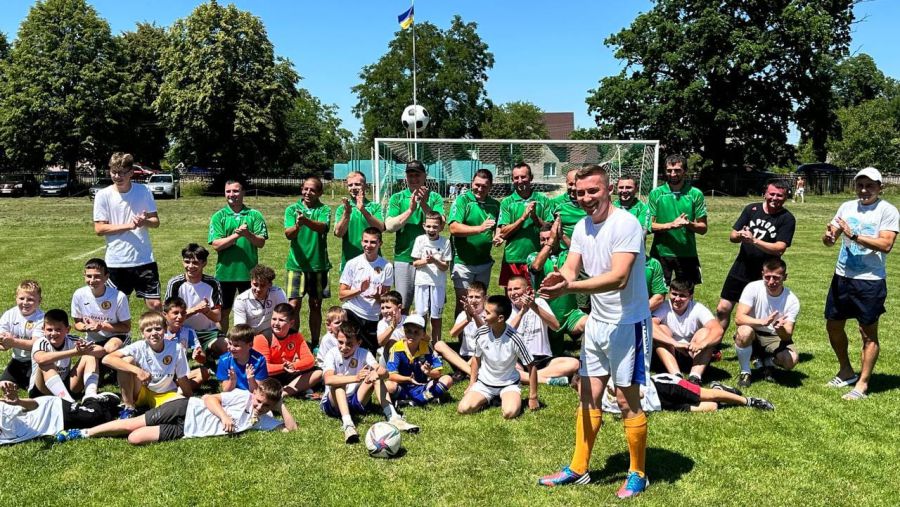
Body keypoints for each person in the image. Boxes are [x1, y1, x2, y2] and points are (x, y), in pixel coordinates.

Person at [536, 164, 651, 498]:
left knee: (627, 400)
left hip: (628, 324)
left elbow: (619, 277)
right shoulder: (584, 227)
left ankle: (638, 473)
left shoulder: (626, 224)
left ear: (609, 189)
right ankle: (578, 467)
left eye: (593, 191)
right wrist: (562, 279)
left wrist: (572, 284)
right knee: (588, 396)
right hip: (598, 324)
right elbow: (571, 265)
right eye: (580, 192)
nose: (586, 198)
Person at [822, 167, 898, 400]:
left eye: (870, 186)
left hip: (869, 281)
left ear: (879, 187)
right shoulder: (846, 207)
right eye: (860, 185)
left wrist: (854, 235)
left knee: (868, 333)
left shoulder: (888, 211)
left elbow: (886, 245)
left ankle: (862, 384)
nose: (864, 190)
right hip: (842, 277)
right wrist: (829, 237)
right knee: (833, 325)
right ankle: (846, 371)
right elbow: (831, 237)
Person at [56, 378, 297, 444]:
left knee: (134, 438)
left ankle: (101, 426)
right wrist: (224, 416)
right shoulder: (242, 396)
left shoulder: (262, 419)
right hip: (185, 408)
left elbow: (291, 430)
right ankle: (82, 433)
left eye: (265, 405)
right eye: (259, 401)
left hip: (185, 430)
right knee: (133, 424)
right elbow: (209, 398)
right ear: (255, 394)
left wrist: (280, 404)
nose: (259, 406)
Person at [320, 320, 418, 444]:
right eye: (340, 342)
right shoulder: (332, 354)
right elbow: (328, 379)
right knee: (338, 381)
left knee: (376, 376)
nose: (344, 347)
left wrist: (378, 372)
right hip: (333, 404)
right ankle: (348, 425)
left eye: (349, 344)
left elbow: (384, 373)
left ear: (359, 343)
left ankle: (393, 417)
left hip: (356, 399)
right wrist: (356, 378)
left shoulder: (364, 353)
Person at [716, 180, 795, 332]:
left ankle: (754, 346)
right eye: (772, 194)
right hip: (741, 267)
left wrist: (753, 240)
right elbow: (732, 236)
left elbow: (779, 248)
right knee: (722, 308)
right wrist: (740, 236)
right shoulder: (751, 209)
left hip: (766, 273)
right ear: (765, 194)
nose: (775, 198)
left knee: (756, 313)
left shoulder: (787, 218)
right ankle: (714, 347)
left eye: (780, 196)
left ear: (785, 198)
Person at [93, 152, 161, 310]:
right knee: (114, 307)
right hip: (116, 261)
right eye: (113, 172)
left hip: (144, 259)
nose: (117, 176)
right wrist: (129, 225)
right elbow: (99, 228)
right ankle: (120, 335)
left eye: (122, 173)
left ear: (131, 172)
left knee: (155, 304)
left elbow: (155, 222)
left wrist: (144, 222)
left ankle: (159, 335)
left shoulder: (144, 191)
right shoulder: (103, 195)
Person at [457, 295, 538, 419]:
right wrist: (472, 384)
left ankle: (504, 399)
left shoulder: (515, 338)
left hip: (509, 384)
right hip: (484, 384)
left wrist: (533, 397)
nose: (483, 315)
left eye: (488, 313)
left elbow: (531, 367)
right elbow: (476, 359)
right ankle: (489, 400)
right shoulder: (481, 333)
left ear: (500, 318)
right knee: (463, 409)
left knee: (510, 413)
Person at [103, 311, 193, 419]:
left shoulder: (176, 348)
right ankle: (128, 407)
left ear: (165, 330)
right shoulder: (139, 346)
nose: (154, 333)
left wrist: (190, 399)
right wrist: (138, 371)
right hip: (141, 390)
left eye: (158, 329)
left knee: (182, 407)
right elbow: (107, 359)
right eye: (149, 330)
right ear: (142, 333)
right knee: (127, 361)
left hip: (164, 392)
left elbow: (182, 377)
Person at [207, 180, 268, 332]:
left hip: (249, 274)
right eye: (228, 191)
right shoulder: (218, 216)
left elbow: (260, 243)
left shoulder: (254, 215)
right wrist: (236, 236)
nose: (231, 195)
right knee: (223, 312)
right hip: (225, 274)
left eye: (235, 191)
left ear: (243, 193)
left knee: (252, 311)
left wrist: (248, 234)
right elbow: (216, 245)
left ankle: (250, 344)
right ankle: (223, 345)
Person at [385, 160, 445, 314]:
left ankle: (425, 338)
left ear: (424, 176)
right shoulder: (397, 198)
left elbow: (442, 223)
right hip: (404, 258)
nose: (414, 179)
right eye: (410, 175)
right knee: (402, 304)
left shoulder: (435, 197)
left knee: (428, 306)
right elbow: (390, 227)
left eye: (417, 175)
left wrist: (424, 204)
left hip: (430, 258)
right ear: (406, 177)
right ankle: (405, 337)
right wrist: (410, 210)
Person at [733, 258, 800, 388]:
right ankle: (745, 371)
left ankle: (768, 362)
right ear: (762, 274)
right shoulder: (752, 287)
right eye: (767, 277)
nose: (771, 282)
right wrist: (762, 322)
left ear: (785, 277)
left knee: (791, 360)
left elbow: (787, 336)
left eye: (776, 278)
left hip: (774, 336)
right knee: (744, 332)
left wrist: (779, 328)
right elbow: (739, 318)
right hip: (753, 331)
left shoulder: (792, 300)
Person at [284, 176, 332, 347]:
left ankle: (315, 343)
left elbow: (323, 227)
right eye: (305, 188)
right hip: (296, 265)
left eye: (312, 189)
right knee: (293, 305)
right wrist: (298, 226)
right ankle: (293, 342)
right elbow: (288, 234)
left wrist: (306, 221)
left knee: (316, 304)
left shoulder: (324, 209)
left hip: (318, 265)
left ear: (319, 192)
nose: (308, 192)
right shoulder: (292, 209)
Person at [506, 276, 579, 386]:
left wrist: (533, 306)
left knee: (574, 363)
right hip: (519, 359)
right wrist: (522, 312)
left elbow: (555, 326)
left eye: (516, 289)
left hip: (543, 358)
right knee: (505, 368)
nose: (512, 293)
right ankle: (547, 380)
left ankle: (529, 377)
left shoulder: (539, 302)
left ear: (527, 290)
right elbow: (507, 334)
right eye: (509, 290)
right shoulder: (507, 309)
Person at [648, 154, 708, 285]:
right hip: (661, 252)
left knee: (686, 295)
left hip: (687, 253)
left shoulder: (695, 194)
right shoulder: (656, 193)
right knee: (657, 294)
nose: (673, 174)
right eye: (669, 170)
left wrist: (688, 224)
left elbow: (703, 228)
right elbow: (648, 225)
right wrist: (671, 225)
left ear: (685, 171)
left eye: (677, 170)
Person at [449, 168, 501, 316]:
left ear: (490, 187)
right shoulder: (463, 200)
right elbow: (453, 227)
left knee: (480, 304)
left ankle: (478, 338)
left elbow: (499, 227)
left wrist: (498, 236)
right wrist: (480, 228)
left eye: (484, 186)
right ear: (472, 183)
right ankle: (462, 339)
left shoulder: (495, 205)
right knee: (464, 302)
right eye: (477, 185)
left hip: (484, 263)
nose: (479, 189)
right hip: (463, 263)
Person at [0, 381, 120, 446]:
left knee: (94, 417)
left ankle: (92, 398)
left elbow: (35, 405)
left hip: (52, 411)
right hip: (50, 429)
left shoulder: (3, 407)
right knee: (100, 422)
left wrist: (18, 401)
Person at [651, 280, 724, 385]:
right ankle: (676, 376)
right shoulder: (664, 306)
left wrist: (701, 344)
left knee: (705, 332)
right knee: (662, 328)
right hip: (669, 353)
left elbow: (718, 330)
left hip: (693, 353)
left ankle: (695, 377)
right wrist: (674, 343)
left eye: (682, 296)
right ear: (669, 293)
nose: (677, 299)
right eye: (674, 294)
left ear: (690, 296)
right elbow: (650, 325)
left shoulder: (698, 308)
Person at [527, 221, 588, 344]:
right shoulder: (533, 256)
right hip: (545, 317)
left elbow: (583, 257)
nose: (544, 242)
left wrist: (562, 236)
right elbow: (536, 266)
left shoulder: (566, 255)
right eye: (542, 239)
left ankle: (588, 359)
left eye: (548, 238)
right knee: (550, 358)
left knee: (592, 325)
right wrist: (550, 242)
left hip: (570, 315)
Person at [598, 374, 774, 414]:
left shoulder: (611, 380)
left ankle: (749, 401)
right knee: (711, 407)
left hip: (662, 387)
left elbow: (641, 394)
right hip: (660, 405)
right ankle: (721, 391)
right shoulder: (597, 403)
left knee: (707, 395)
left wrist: (617, 392)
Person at [29, 309, 103, 402]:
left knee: (89, 355)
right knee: (46, 362)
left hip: (65, 386)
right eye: (49, 329)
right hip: (41, 391)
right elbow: (41, 359)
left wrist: (85, 350)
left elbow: (101, 351)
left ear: (67, 329)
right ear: (43, 329)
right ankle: (68, 402)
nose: (53, 333)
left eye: (58, 329)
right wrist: (75, 352)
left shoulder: (71, 339)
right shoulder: (41, 342)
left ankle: (90, 395)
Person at [339, 227, 393, 351]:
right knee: (350, 348)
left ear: (380, 244)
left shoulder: (387, 266)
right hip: (353, 311)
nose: (368, 245)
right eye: (366, 241)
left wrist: (378, 297)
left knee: (371, 353)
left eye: (373, 242)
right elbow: (342, 295)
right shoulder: (352, 264)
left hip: (373, 315)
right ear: (362, 242)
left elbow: (385, 301)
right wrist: (360, 290)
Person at [165, 244, 224, 357]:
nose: (190, 266)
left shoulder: (213, 283)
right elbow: (168, 318)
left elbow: (217, 317)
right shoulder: (175, 283)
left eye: (196, 263)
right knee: (171, 354)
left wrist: (206, 311)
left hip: (208, 331)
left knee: (225, 347)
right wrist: (196, 310)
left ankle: (207, 353)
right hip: (181, 330)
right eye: (187, 262)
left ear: (204, 263)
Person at [253, 303, 321, 398]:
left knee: (318, 372)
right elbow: (263, 367)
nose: (276, 323)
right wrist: (283, 367)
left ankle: (284, 393)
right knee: (260, 381)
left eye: (281, 320)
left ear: (291, 323)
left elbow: (310, 360)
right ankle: (296, 389)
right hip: (268, 376)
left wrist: (293, 365)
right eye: (274, 319)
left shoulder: (296, 336)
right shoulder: (262, 338)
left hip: (287, 371)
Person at [498, 162, 548, 288]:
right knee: (513, 298)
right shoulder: (506, 202)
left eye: (523, 177)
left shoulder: (543, 200)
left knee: (536, 297)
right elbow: (503, 232)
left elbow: (550, 228)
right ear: (512, 180)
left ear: (531, 177)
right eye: (516, 178)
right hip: (513, 258)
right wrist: (523, 218)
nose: (520, 181)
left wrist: (535, 218)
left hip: (538, 257)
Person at [385, 315, 453, 406]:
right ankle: (427, 398)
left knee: (447, 379)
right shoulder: (396, 348)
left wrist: (429, 372)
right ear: (403, 331)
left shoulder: (427, 348)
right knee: (388, 385)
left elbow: (438, 372)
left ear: (423, 334)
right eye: (408, 331)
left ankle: (415, 401)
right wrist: (408, 379)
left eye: (416, 332)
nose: (412, 335)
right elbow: (391, 375)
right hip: (403, 388)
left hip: (423, 386)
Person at [71, 258, 131, 354]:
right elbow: (77, 323)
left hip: (117, 336)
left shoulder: (119, 296)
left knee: (109, 349)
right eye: (89, 276)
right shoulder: (78, 294)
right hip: (93, 339)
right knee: (88, 355)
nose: (92, 280)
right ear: (84, 276)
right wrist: (87, 327)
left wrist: (101, 326)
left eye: (97, 276)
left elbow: (126, 327)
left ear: (106, 277)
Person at [411, 212, 452, 342]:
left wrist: (435, 261)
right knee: (421, 315)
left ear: (440, 227)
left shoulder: (445, 242)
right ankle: (421, 345)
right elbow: (415, 263)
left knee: (436, 317)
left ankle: (436, 346)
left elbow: (445, 266)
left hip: (438, 284)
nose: (431, 230)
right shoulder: (419, 240)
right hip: (422, 283)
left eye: (435, 227)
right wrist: (426, 261)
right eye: (428, 226)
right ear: (424, 226)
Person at [333, 171, 385, 271]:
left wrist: (362, 209)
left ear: (365, 185)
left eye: (357, 184)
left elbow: (381, 228)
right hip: (349, 261)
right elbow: (338, 233)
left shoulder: (375, 207)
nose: (353, 187)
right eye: (350, 185)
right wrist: (347, 213)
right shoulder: (342, 209)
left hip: (373, 262)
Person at [0, 280, 45, 389]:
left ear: (39, 301)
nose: (25, 302)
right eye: (21, 298)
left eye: (30, 299)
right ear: (16, 298)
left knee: (35, 389)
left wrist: (13, 342)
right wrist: (4, 345)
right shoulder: (9, 315)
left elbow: (35, 344)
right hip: (17, 360)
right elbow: (2, 338)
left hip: (35, 361)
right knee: (4, 385)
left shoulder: (42, 318)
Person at [162, 297, 208, 388]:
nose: (179, 317)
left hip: (179, 374)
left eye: (183, 313)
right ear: (165, 314)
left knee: (204, 373)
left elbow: (203, 359)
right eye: (175, 313)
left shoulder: (188, 332)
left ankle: (175, 388)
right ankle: (179, 388)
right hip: (161, 373)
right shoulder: (158, 332)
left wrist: (198, 356)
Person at [446, 281, 488, 378]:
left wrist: (474, 315)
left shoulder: (488, 313)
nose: (473, 300)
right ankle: (469, 371)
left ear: (484, 298)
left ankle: (461, 371)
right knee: (439, 345)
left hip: (481, 354)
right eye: (471, 297)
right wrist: (468, 319)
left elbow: (486, 332)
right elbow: (453, 334)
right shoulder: (463, 314)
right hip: (464, 354)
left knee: (482, 350)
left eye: (477, 297)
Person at [232, 264, 287, 337]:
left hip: (272, 332)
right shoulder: (241, 300)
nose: (258, 289)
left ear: (270, 284)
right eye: (255, 284)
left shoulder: (278, 293)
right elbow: (240, 329)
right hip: (250, 336)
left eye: (263, 285)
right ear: (251, 282)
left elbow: (285, 318)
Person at [215, 324, 268, 392]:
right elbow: (226, 391)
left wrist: (251, 379)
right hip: (233, 395)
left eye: (236, 345)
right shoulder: (224, 360)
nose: (231, 348)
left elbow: (257, 392)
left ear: (250, 345)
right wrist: (232, 381)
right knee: (208, 398)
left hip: (251, 395)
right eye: (230, 343)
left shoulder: (259, 360)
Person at [545, 167, 587, 251]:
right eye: (570, 184)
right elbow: (547, 226)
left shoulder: (589, 202)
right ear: (566, 183)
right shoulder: (556, 203)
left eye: (576, 184)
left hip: (587, 250)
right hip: (564, 251)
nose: (573, 188)